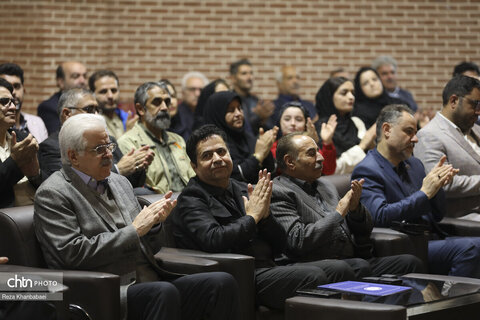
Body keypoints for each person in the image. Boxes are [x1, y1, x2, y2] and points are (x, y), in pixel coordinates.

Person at [34, 114, 239, 320]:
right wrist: (135, 230)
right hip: (107, 289)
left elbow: (152, 246)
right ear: (73, 156)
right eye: (99, 149)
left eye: (109, 146)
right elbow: (72, 254)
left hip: (149, 278)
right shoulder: (54, 193)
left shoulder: (119, 182)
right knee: (163, 292)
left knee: (221, 282)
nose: (108, 154)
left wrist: (155, 224)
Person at [171, 124, 353, 310]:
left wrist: (266, 218)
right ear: (194, 166)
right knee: (313, 276)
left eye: (221, 152)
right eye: (207, 156)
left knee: (341, 269)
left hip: (270, 267)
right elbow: (213, 239)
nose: (217, 159)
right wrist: (252, 218)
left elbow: (281, 243)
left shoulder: (241, 187)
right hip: (239, 275)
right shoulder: (191, 198)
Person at [270, 133, 424, 278]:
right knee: (355, 267)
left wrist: (355, 210)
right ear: (290, 161)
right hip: (312, 265)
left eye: (318, 151)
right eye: (311, 154)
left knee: (409, 263)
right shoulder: (279, 191)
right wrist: (337, 214)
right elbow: (297, 241)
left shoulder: (326, 186)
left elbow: (365, 230)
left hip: (352, 260)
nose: (321, 158)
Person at [352, 104, 480, 278]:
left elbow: (437, 215)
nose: (415, 139)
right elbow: (379, 216)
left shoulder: (415, 164)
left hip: (432, 237)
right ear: (387, 130)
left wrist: (438, 186)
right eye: (409, 132)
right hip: (405, 246)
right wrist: (424, 193)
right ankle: (454, 300)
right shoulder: (368, 170)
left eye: (415, 132)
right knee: (472, 248)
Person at [38, 88, 153, 194]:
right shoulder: (50, 146)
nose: (97, 115)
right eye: (90, 109)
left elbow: (132, 184)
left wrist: (138, 166)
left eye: (98, 110)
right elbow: (68, 188)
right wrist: (118, 169)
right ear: (67, 114)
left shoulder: (109, 139)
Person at [415, 75, 480, 220]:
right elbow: (442, 184)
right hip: (463, 216)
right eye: (475, 104)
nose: (478, 111)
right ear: (454, 101)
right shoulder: (429, 135)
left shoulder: (476, 129)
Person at [118, 82, 195, 194]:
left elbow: (193, 176)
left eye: (167, 102)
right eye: (157, 102)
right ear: (141, 109)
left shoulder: (178, 140)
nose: (164, 107)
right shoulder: (128, 142)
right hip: (158, 203)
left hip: (189, 200)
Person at [203, 91, 277, 183]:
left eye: (239, 108)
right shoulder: (212, 144)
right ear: (218, 114)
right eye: (231, 110)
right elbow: (233, 176)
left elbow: (270, 171)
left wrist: (266, 147)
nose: (238, 114)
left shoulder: (248, 138)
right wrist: (258, 156)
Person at [315, 77, 377, 174]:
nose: (351, 97)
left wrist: (372, 143)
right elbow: (333, 169)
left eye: (352, 93)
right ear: (330, 97)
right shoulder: (321, 128)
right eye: (344, 93)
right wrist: (363, 145)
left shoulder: (356, 122)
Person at [0, 78, 42, 208]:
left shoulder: (24, 138)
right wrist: (14, 161)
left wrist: (35, 175)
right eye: (4, 102)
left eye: (12, 101)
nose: (13, 107)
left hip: (40, 213)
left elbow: (48, 185)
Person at [272, 101, 337, 175]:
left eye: (298, 119)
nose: (293, 123)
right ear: (280, 123)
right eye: (287, 119)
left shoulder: (313, 147)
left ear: (306, 124)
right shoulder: (272, 147)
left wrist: (327, 142)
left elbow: (329, 171)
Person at [0, 63, 48, 143]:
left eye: (16, 86)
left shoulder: (37, 122)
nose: (13, 92)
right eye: (7, 87)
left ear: (24, 91)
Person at [37, 61, 87, 135]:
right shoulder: (49, 108)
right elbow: (58, 139)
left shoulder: (91, 103)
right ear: (61, 82)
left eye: (85, 76)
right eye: (76, 76)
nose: (83, 81)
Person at [89, 69, 138, 139]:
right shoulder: (90, 122)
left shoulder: (125, 117)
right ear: (92, 94)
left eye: (114, 90)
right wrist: (128, 134)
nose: (110, 96)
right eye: (103, 91)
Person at [230, 58, 274, 133]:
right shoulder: (230, 101)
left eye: (251, 73)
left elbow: (269, 130)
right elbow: (239, 129)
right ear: (233, 78)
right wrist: (258, 117)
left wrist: (264, 119)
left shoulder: (256, 101)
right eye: (244, 73)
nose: (249, 77)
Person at [170, 72, 209, 141]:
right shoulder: (175, 114)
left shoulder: (208, 114)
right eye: (192, 89)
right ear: (183, 92)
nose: (197, 94)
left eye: (201, 90)